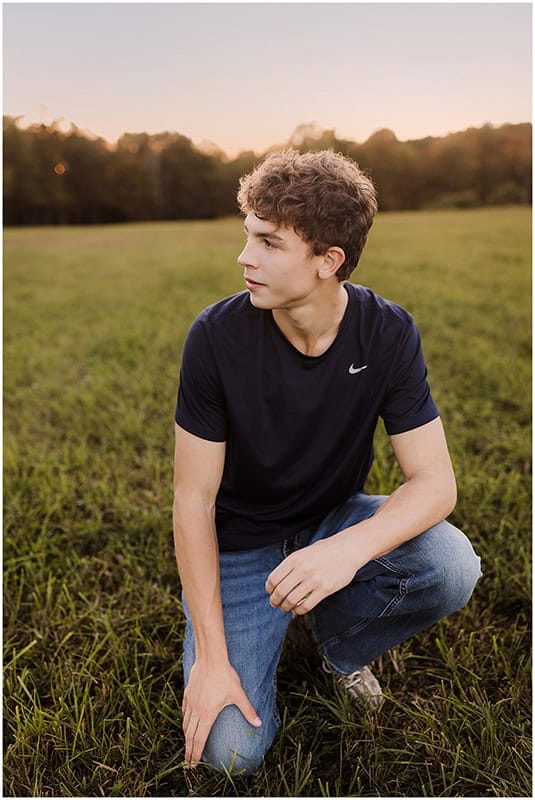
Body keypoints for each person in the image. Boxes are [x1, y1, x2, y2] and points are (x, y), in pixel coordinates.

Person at [172, 149, 481, 774]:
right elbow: (193, 501)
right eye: (247, 236)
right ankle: (252, 628)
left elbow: (435, 484)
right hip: (239, 545)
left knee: (450, 564)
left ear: (327, 261)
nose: (245, 257)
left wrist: (346, 550)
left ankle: (339, 648)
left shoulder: (388, 331)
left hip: (330, 520)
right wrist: (210, 657)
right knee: (230, 755)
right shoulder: (215, 336)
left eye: (269, 242)